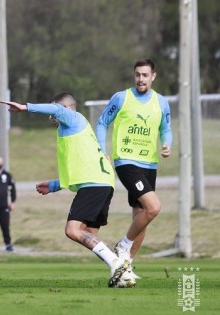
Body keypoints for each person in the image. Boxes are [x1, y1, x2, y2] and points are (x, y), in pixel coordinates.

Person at [2, 92, 134, 288]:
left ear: (65, 109)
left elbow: (56, 109)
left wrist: (25, 107)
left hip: (94, 184)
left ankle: (117, 264)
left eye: (54, 111)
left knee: (72, 230)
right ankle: (126, 274)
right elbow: (78, 167)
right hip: (103, 182)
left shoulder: (73, 118)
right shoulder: (71, 129)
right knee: (89, 234)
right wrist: (54, 185)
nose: (50, 116)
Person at [96, 58, 172, 276]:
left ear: (153, 76)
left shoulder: (161, 102)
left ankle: (123, 267)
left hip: (149, 164)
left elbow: (166, 129)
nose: (141, 79)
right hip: (126, 162)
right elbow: (102, 122)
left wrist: (167, 144)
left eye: (145, 75)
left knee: (142, 217)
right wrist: (102, 150)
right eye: (138, 74)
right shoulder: (121, 98)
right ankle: (123, 245)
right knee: (154, 207)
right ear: (134, 75)